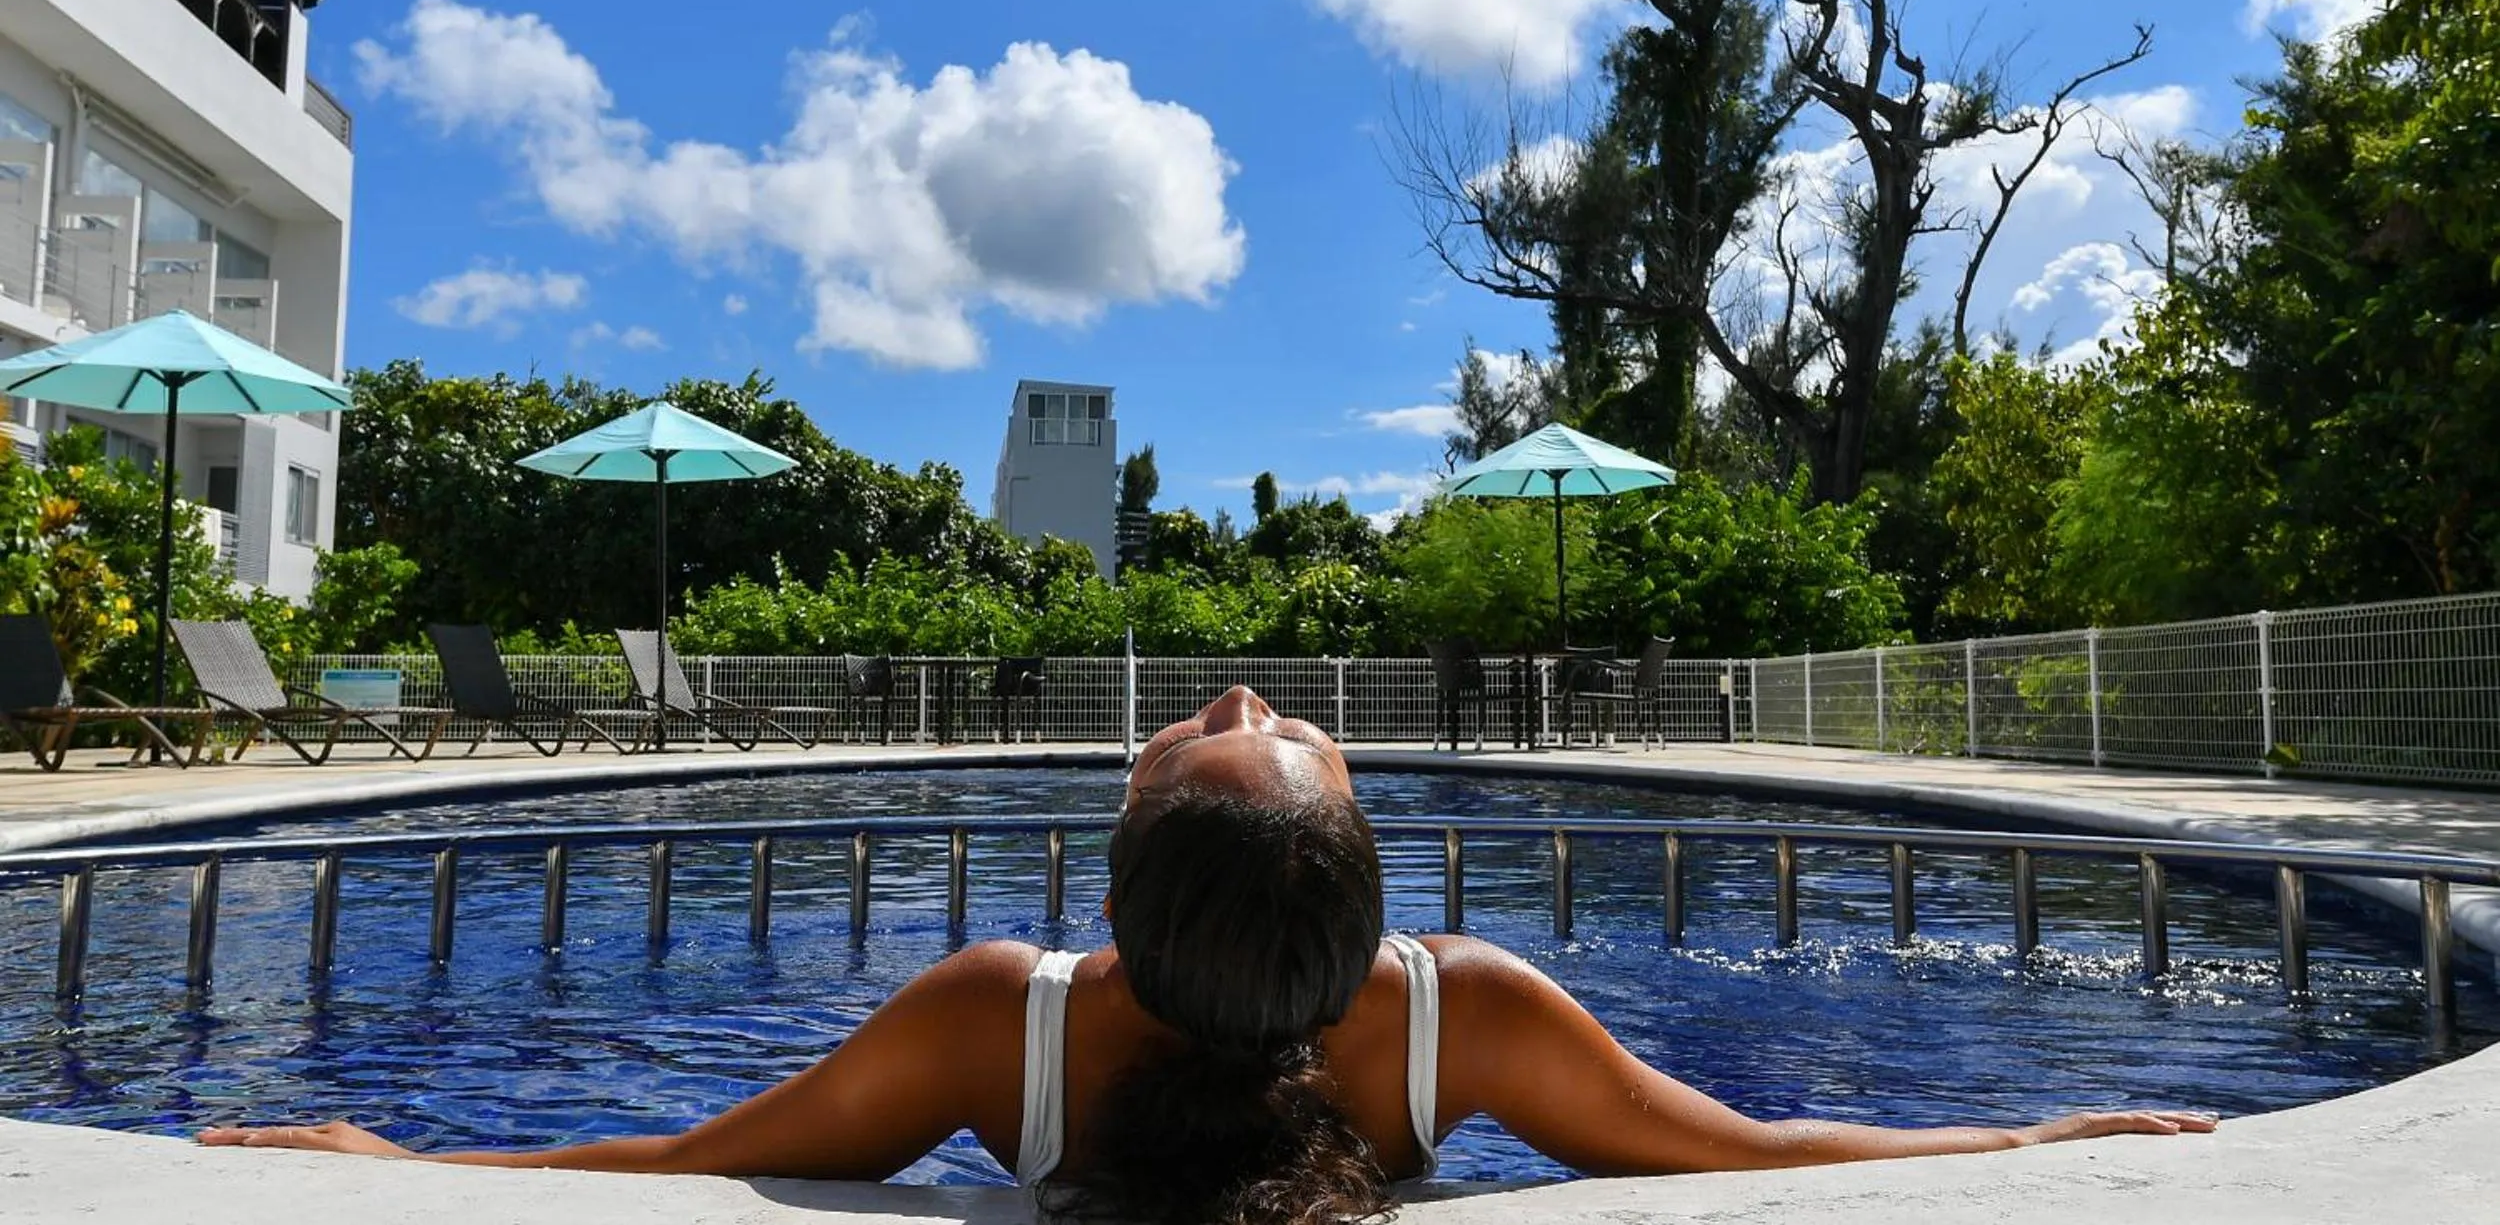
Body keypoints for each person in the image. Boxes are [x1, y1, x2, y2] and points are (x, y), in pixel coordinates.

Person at [201, 687, 2214, 1224]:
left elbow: (697, 1162)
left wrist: (405, 1160)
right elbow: (1751, 1151)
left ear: (1117, 906)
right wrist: (2021, 1129)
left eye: (1224, 731)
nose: (1237, 688)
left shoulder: (1002, 1018)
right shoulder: (1456, 1011)